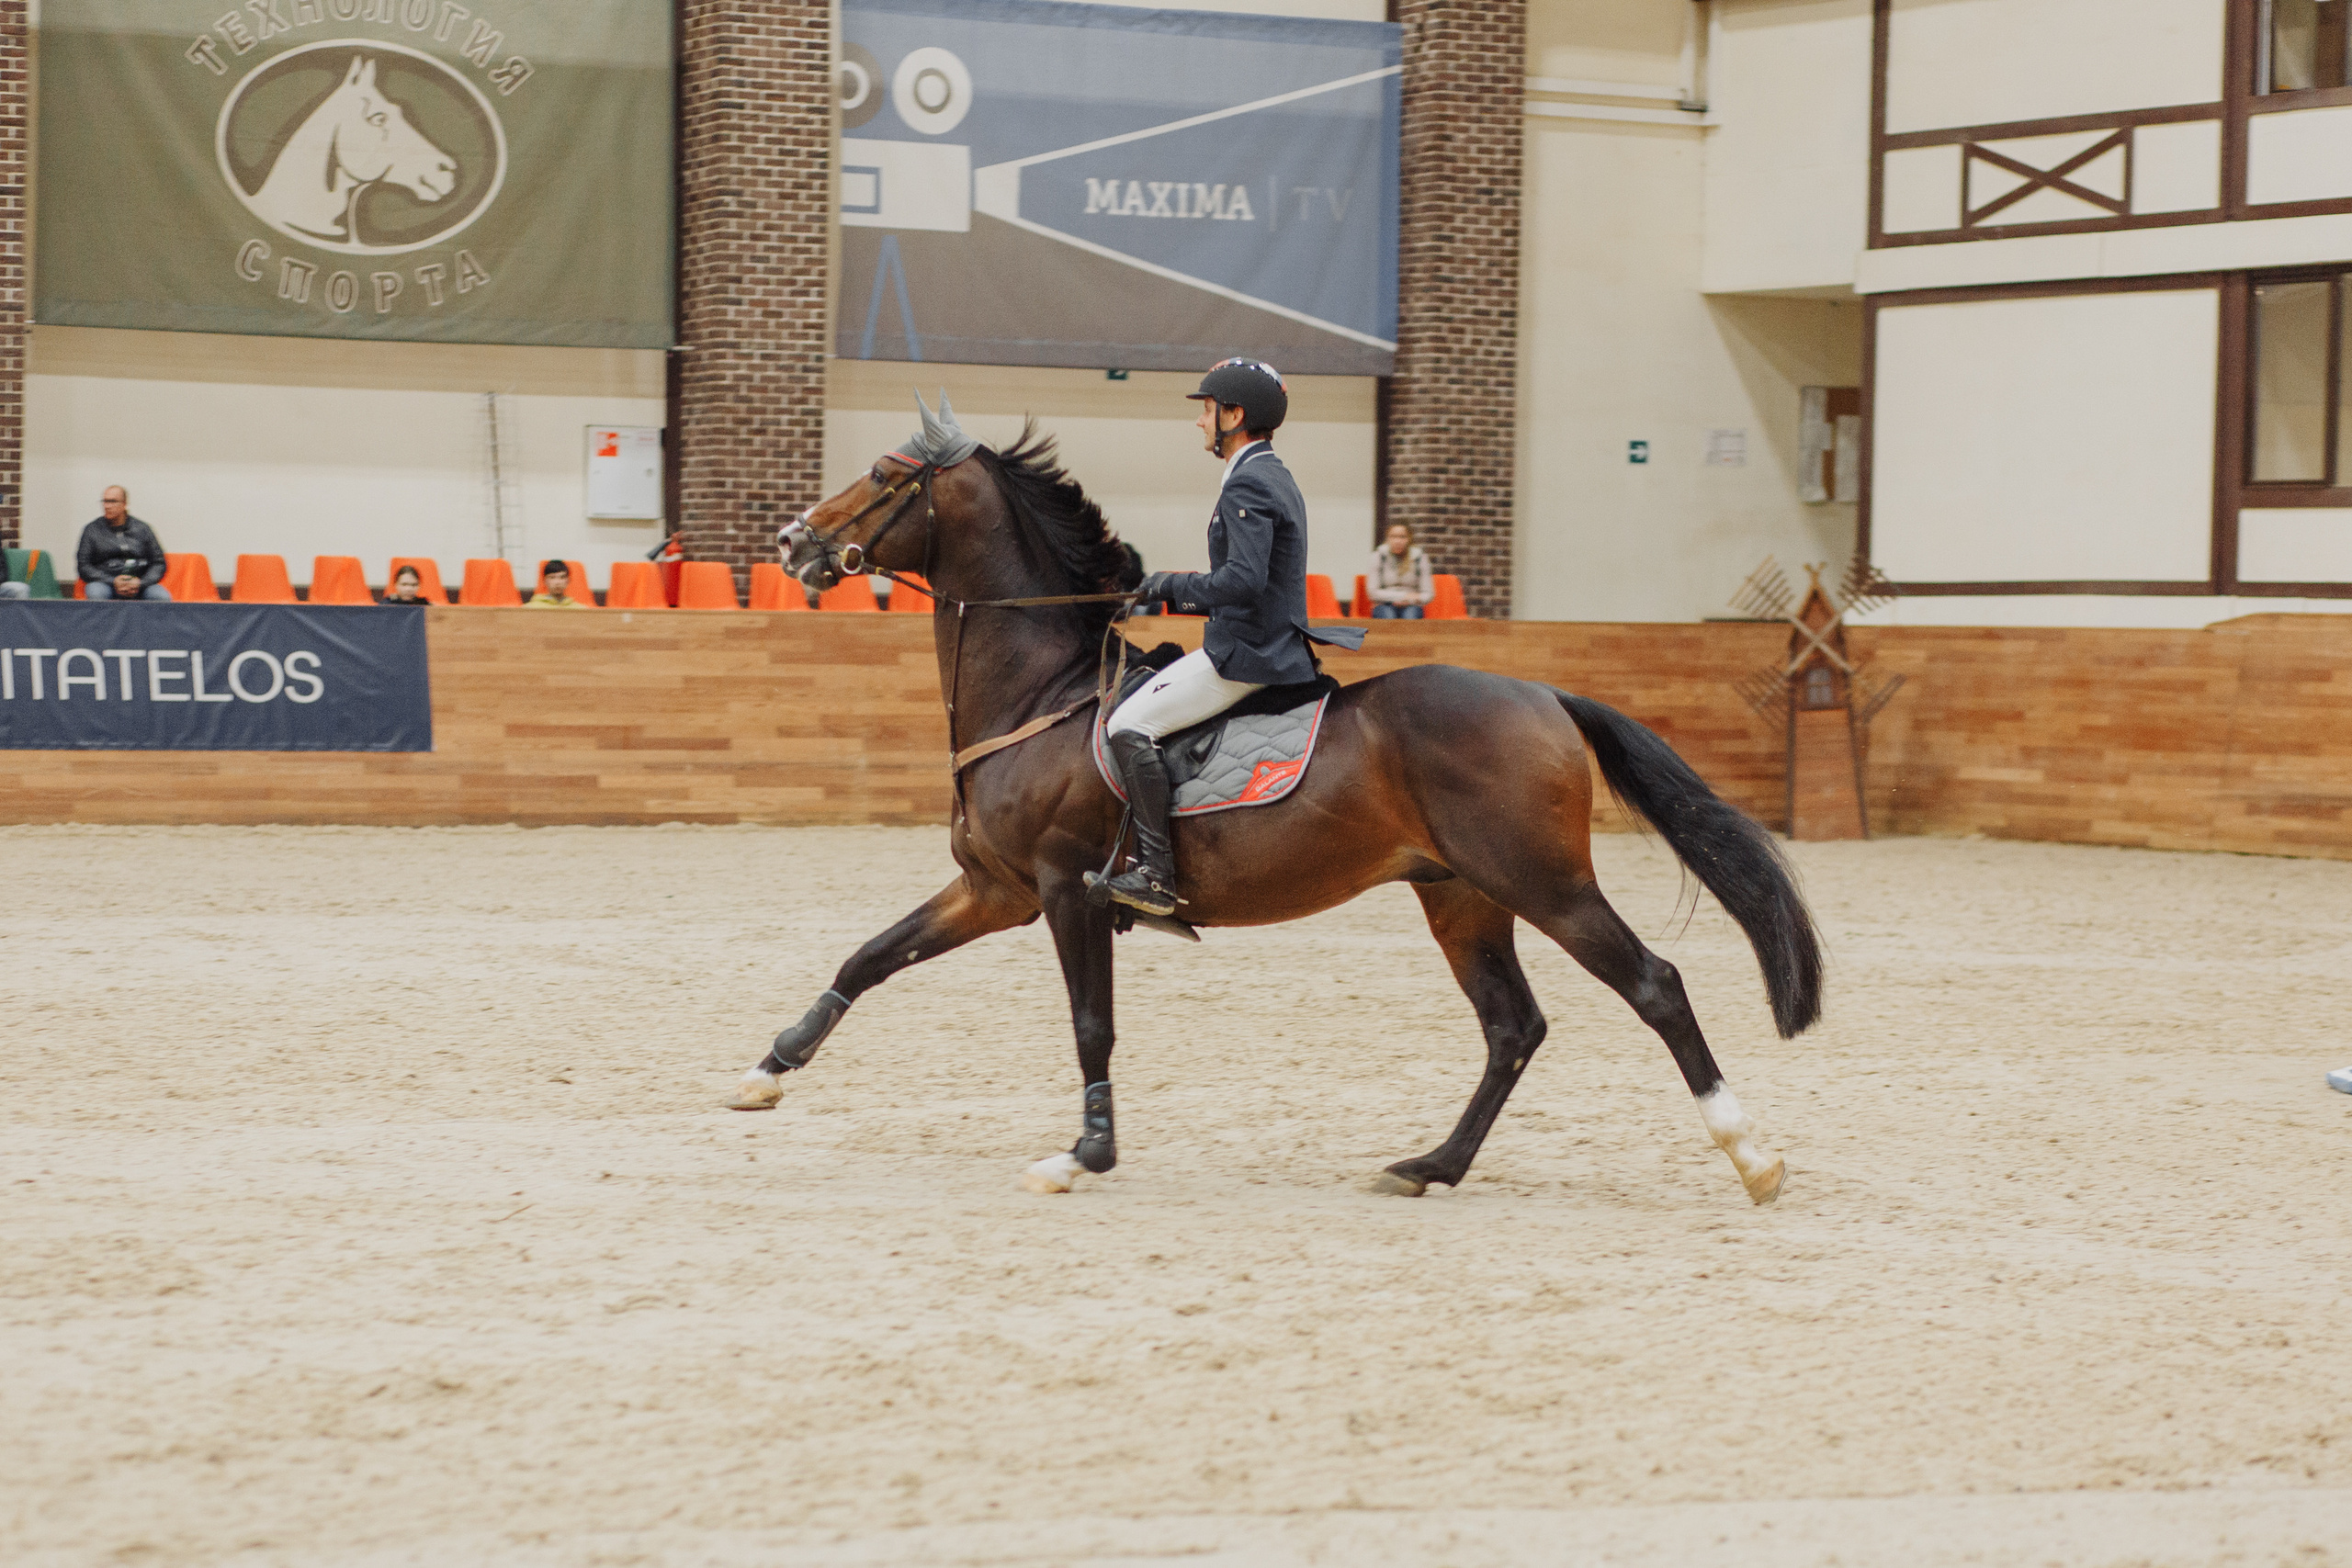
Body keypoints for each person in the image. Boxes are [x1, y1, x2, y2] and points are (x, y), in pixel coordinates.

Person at [1091, 357, 1366, 917]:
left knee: (1128, 723)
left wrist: (1167, 585)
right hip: (1254, 640)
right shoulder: (1270, 473)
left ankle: (1156, 878)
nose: (1200, 422)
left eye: (1208, 410)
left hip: (1248, 655)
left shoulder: (1251, 479)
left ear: (1235, 415)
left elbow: (1243, 581)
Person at [76, 486, 171, 601]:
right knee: (96, 594)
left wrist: (140, 582)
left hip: (140, 584)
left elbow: (159, 563)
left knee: (161, 596)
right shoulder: (91, 530)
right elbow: (84, 566)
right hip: (105, 583)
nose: (107, 506)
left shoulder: (143, 529)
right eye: (105, 501)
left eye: (112, 501)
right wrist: (113, 581)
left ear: (124, 504)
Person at [1366, 521, 1433, 618]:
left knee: (1410, 618)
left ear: (1409, 539)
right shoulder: (1378, 557)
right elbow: (1372, 592)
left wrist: (1410, 600)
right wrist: (1404, 597)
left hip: (1412, 605)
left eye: (1402, 537)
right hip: (1384, 604)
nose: (1398, 541)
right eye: (1393, 537)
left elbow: (1428, 594)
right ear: (1388, 538)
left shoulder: (1420, 558)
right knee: (1388, 618)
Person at [526, 561, 590, 608]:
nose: (557, 582)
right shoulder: (532, 608)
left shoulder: (580, 610)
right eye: (552, 577)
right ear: (545, 581)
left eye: (562, 577)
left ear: (568, 581)